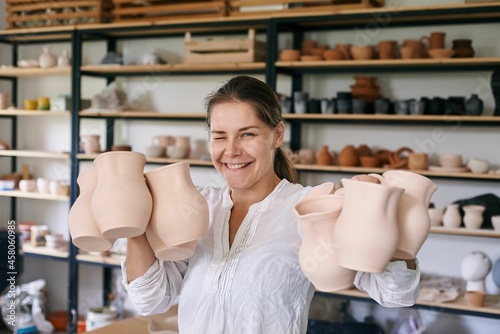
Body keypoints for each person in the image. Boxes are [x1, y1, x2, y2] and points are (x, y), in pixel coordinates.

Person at [121, 75, 420, 333]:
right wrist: (134, 220)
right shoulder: (199, 208)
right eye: (219, 137)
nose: (231, 150)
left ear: (277, 135)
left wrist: (381, 211)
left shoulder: (310, 206)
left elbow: (396, 295)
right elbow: (151, 299)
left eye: (247, 134)